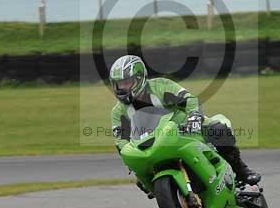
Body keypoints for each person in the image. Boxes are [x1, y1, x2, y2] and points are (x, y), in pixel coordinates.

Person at [108, 54, 261, 186]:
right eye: (118, 84)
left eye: (126, 83)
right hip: (151, 144)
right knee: (141, 181)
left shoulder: (161, 86)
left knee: (218, 128)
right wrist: (129, 155)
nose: (122, 88)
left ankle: (240, 170)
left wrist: (194, 116)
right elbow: (120, 140)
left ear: (139, 78)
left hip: (185, 129)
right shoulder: (118, 111)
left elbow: (189, 99)